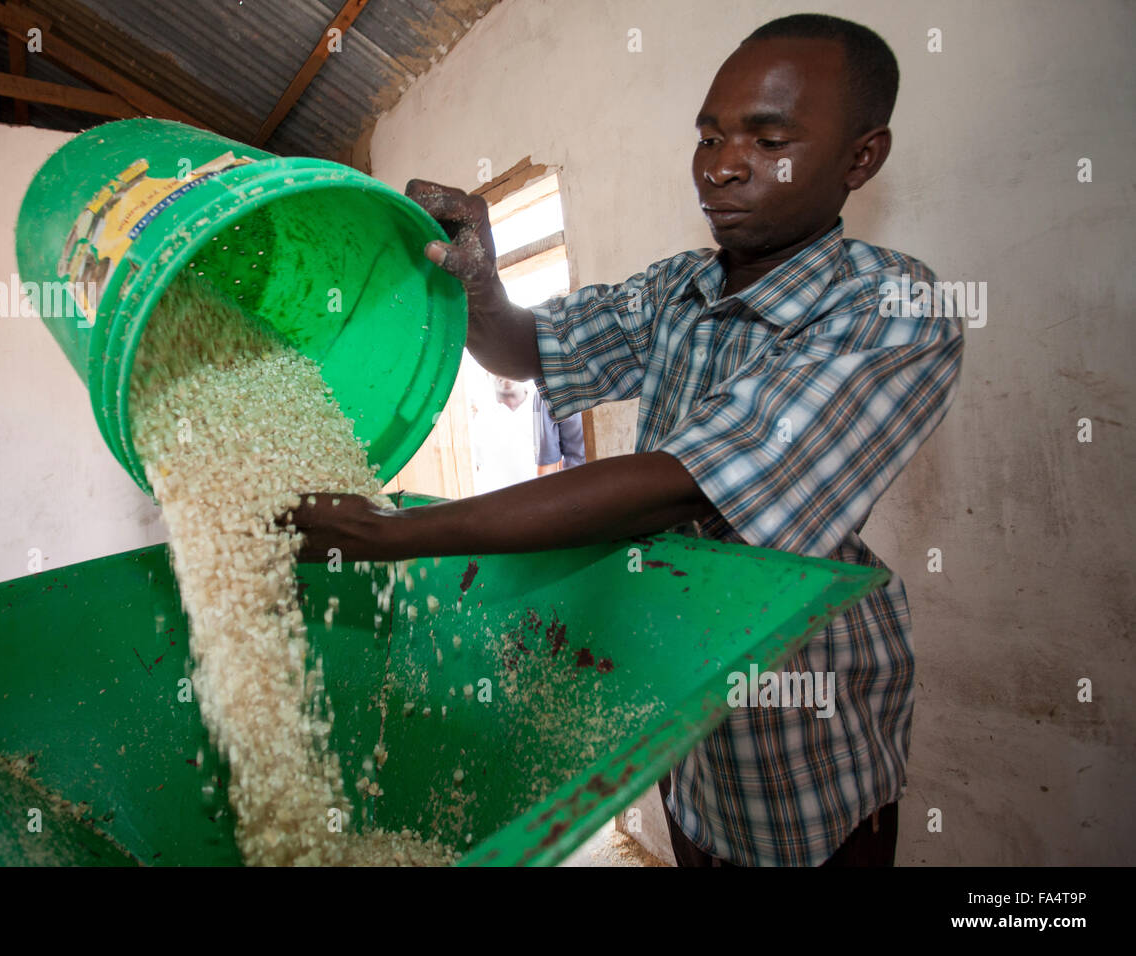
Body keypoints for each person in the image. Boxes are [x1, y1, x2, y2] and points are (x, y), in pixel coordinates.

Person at [289, 12, 964, 866]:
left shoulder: (895, 306)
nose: (720, 165)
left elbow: (680, 483)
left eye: (767, 139)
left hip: (800, 740)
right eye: (710, 136)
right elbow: (530, 349)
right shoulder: (679, 288)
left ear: (860, 158)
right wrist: (482, 288)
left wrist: (388, 536)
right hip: (677, 715)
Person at [533, 388, 585, 476]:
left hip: (581, 482)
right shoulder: (545, 390)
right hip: (579, 483)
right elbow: (547, 467)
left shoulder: (544, 389)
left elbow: (546, 468)